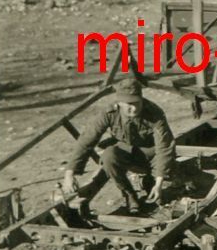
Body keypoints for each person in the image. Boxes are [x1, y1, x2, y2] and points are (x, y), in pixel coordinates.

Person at [62, 79, 176, 214]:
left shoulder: (154, 113)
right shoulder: (109, 113)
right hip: (127, 153)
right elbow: (86, 141)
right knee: (108, 156)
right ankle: (129, 194)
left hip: (152, 155)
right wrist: (69, 173)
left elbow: (164, 147)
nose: (133, 108)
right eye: (128, 104)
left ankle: (151, 182)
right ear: (119, 103)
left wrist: (159, 184)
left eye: (136, 103)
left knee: (163, 186)